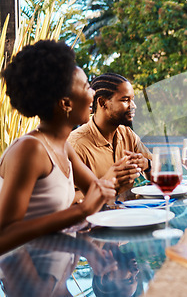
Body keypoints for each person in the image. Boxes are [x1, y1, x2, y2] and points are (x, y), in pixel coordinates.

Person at [0, 40, 116, 255]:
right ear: (66, 104)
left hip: (55, 269)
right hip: (21, 277)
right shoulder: (30, 150)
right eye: (86, 87)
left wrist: (119, 175)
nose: (93, 94)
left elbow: (98, 192)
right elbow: (4, 235)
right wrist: (82, 210)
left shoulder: (63, 145)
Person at [68, 73, 152, 194]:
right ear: (102, 102)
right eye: (125, 100)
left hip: (129, 211)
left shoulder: (127, 134)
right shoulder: (76, 145)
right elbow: (67, 202)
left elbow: (159, 175)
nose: (134, 106)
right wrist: (108, 184)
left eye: (132, 100)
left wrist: (147, 165)